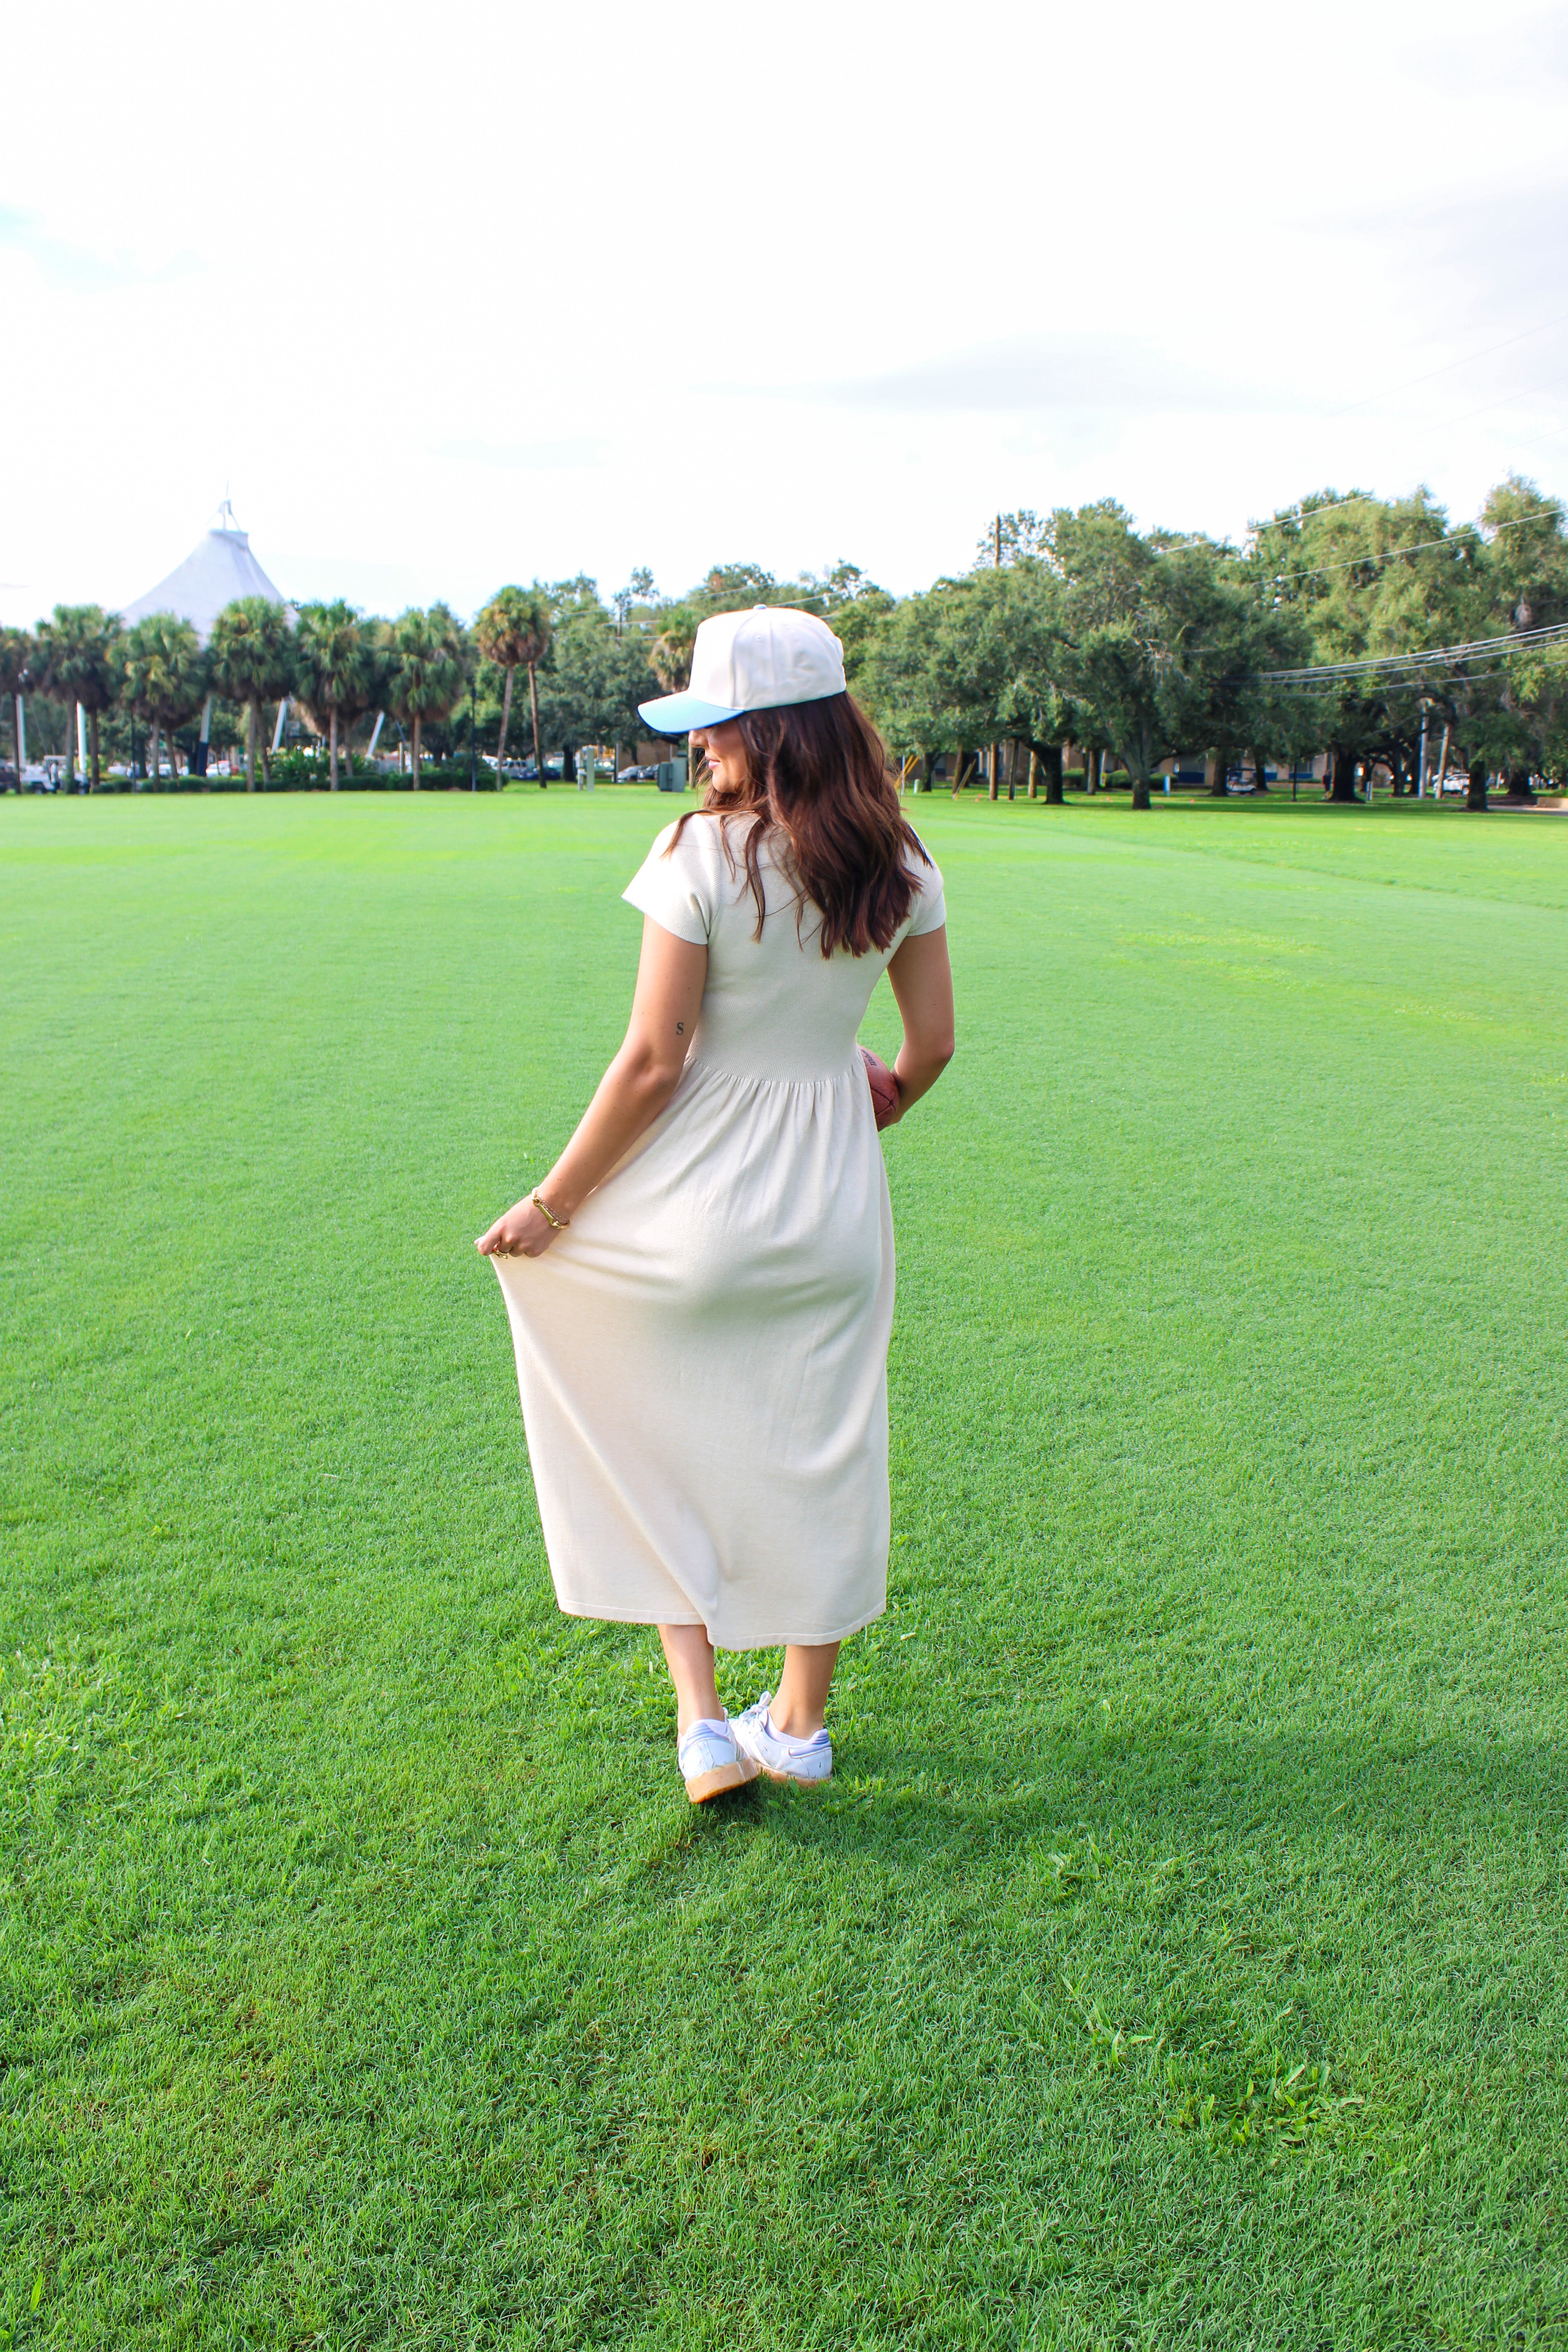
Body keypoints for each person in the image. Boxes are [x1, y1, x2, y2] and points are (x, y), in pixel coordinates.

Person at [476, 606, 955, 1803]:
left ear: (765, 731)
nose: (701, 753)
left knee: (653, 1433)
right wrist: (871, 1092)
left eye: (714, 728)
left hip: (697, 1208)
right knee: (822, 1454)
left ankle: (701, 1724)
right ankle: (795, 1728)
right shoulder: (901, 863)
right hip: (835, 1208)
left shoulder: (699, 855)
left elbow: (654, 1060)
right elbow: (931, 1048)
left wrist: (552, 1205)